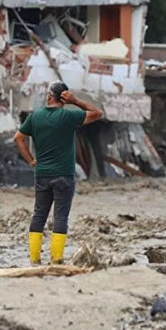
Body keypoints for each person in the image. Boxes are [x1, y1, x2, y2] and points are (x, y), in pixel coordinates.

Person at [15, 82, 103, 265]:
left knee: (39, 214)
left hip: (42, 174)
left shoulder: (35, 117)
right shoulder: (68, 116)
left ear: (49, 96)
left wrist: (31, 160)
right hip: (64, 174)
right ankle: (56, 260)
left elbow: (19, 138)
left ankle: (34, 260)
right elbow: (97, 113)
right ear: (64, 97)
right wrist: (75, 101)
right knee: (60, 216)